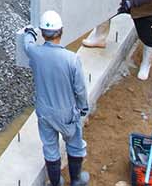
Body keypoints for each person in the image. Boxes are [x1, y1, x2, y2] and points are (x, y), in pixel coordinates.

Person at [21, 10, 91, 186]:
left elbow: (27, 44)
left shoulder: (36, 54)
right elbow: (80, 89)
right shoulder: (71, 59)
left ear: (43, 34)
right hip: (66, 112)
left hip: (45, 112)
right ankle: (76, 180)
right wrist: (83, 107)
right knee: (74, 144)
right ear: (61, 31)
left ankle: (55, 182)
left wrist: (29, 32)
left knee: (50, 148)